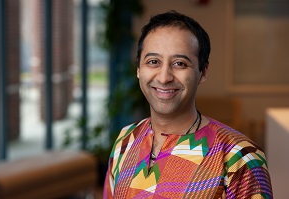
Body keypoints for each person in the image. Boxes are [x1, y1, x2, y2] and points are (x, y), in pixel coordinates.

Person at [103, 10, 273, 198]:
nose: (164, 77)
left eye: (180, 64)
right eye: (153, 61)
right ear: (138, 68)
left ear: (203, 71)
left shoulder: (240, 156)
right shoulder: (125, 140)